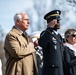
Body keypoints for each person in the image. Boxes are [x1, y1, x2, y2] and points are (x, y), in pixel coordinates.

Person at [38, 10, 64, 75]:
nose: (59, 23)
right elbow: (42, 43)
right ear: (52, 21)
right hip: (51, 70)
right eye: (57, 21)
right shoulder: (45, 33)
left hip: (60, 69)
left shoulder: (59, 36)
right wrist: (50, 28)